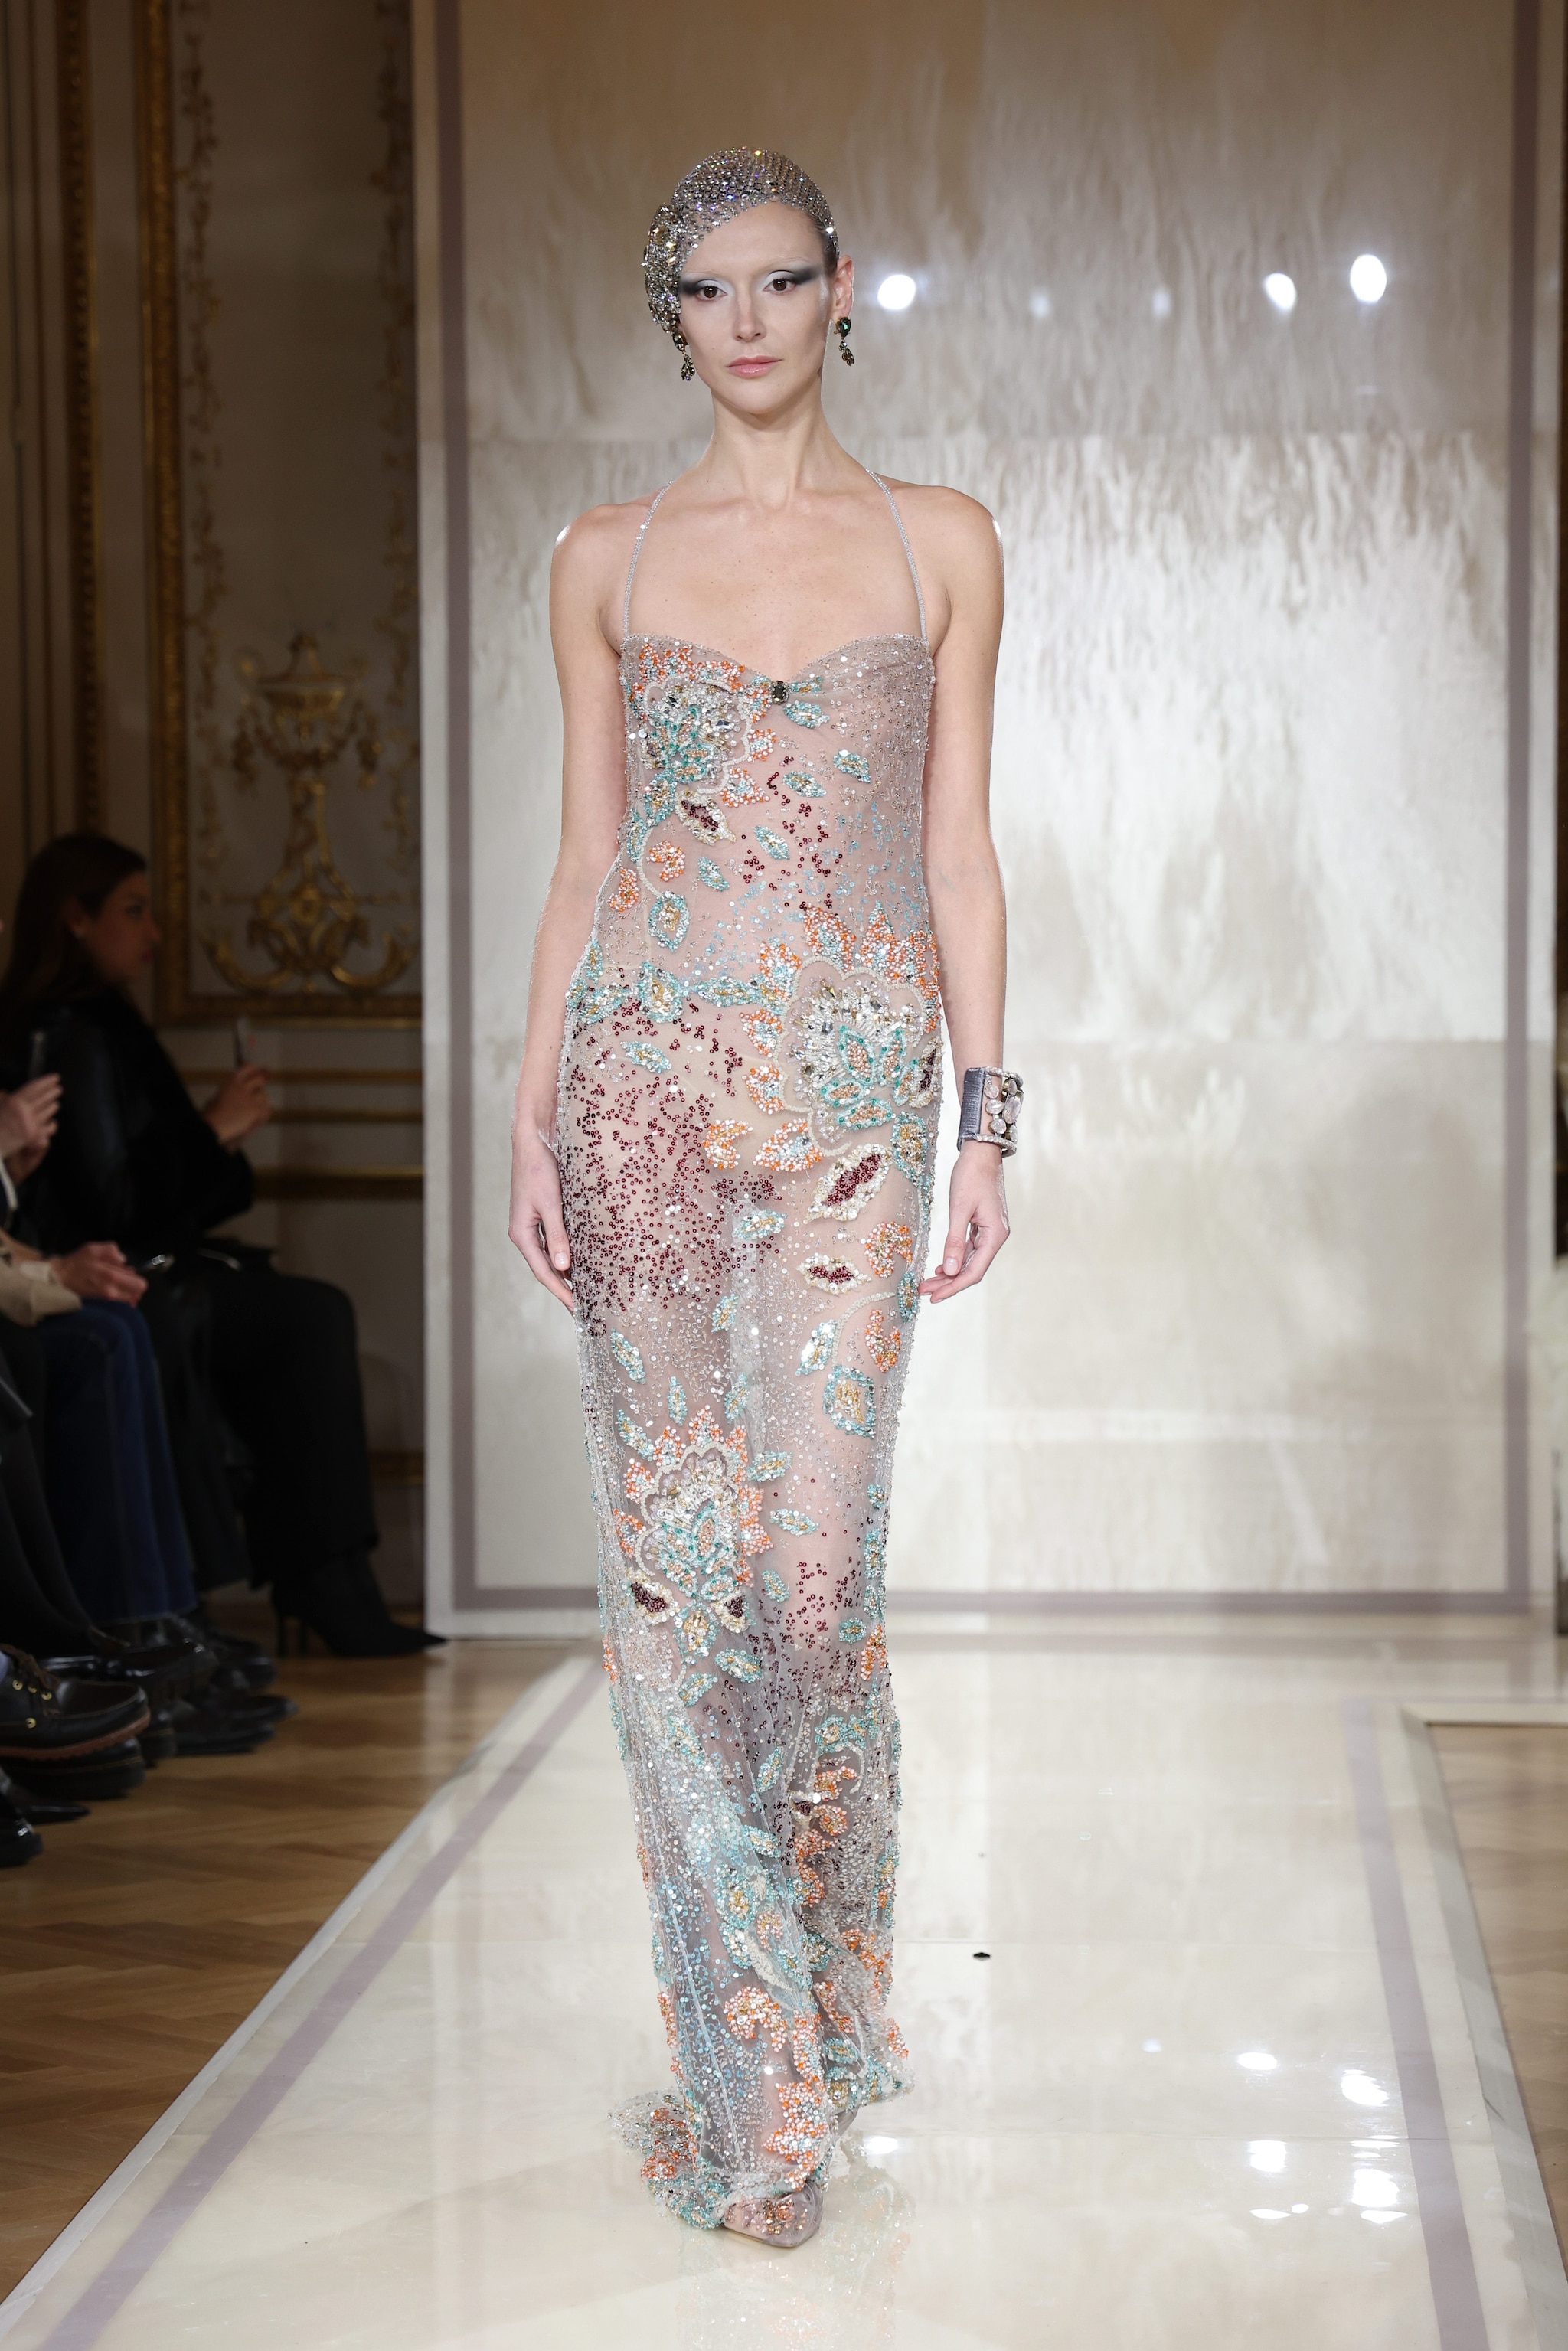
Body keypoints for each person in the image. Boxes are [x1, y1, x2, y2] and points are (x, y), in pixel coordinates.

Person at [508, 149, 1017, 2246]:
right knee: (673, 1586)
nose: (743, 321)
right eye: (704, 289)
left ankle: (815, 1986)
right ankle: (754, 2086)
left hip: (857, 1112)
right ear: (671, 315)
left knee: (810, 1581)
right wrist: (530, 1112)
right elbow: (584, 861)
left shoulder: (941, 541)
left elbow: (960, 851)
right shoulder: (604, 559)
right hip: (635, 1091)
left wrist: (990, 1122)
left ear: (836, 291)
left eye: (777, 282)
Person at [0, 834, 440, 1657]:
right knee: (302, 1320)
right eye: (133, 911)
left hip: (149, 1267)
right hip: (116, 1273)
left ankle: (326, 1577)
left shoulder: (107, 1025)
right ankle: (295, 1586)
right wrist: (211, 1131)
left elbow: (182, 1190)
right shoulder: (72, 1032)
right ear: (75, 918)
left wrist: (216, 1135)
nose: (154, 932)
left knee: (308, 1314)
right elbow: (115, 1207)